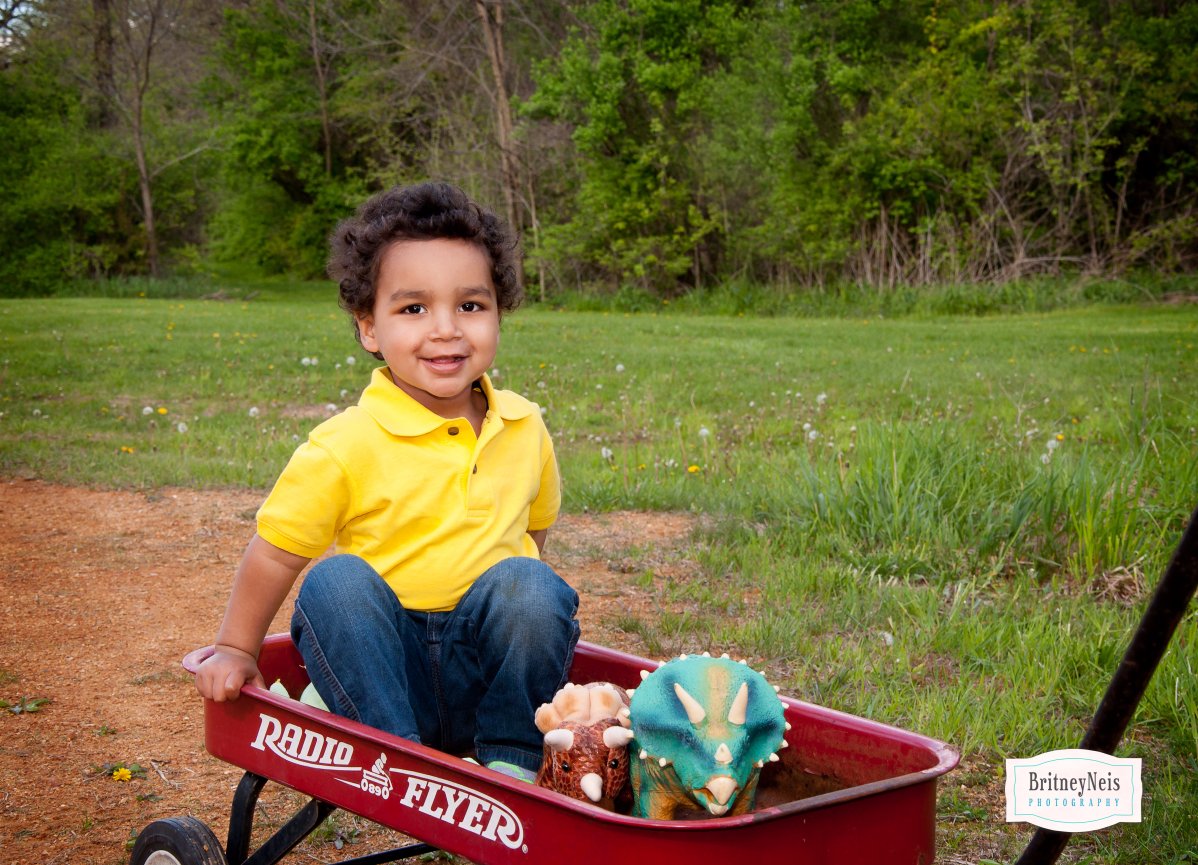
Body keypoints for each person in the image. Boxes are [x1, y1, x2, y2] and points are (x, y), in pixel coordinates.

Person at [194, 181, 579, 782]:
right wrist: (238, 650)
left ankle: (511, 765)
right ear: (369, 328)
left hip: (483, 681)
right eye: (414, 308)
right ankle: (395, 759)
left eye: (471, 306)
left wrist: (521, 616)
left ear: (499, 313)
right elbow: (272, 557)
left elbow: (535, 533)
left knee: (531, 584)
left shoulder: (524, 425)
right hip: (380, 673)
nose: (447, 328)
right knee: (336, 583)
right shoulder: (345, 444)